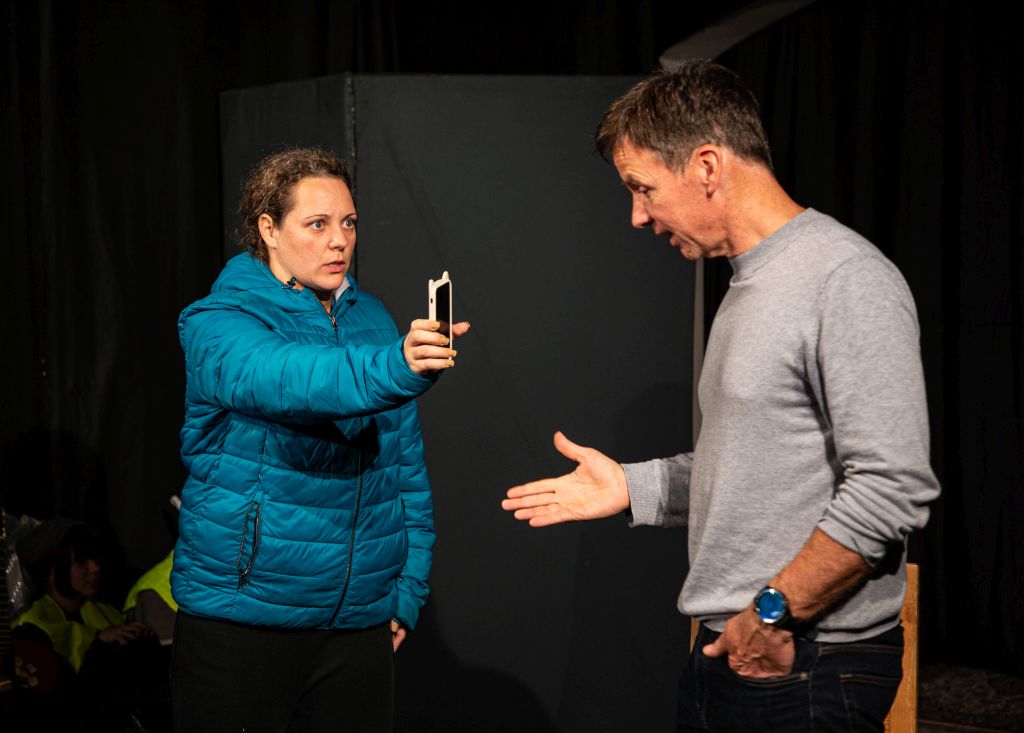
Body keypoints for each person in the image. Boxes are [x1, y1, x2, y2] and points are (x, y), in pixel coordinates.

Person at [502, 60, 940, 732]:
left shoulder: (845, 277)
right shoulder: (750, 284)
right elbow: (757, 469)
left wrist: (773, 611)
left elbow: (893, 486)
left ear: (707, 166)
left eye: (643, 188)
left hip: (803, 661)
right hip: (739, 652)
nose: (637, 216)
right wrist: (631, 487)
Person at [170, 147, 468, 733]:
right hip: (243, 622)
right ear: (268, 230)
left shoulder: (372, 319)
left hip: (358, 628)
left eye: (348, 222)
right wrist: (396, 366)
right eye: (317, 224)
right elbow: (290, 380)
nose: (339, 241)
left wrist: (405, 592)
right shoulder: (219, 321)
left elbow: (404, 468)